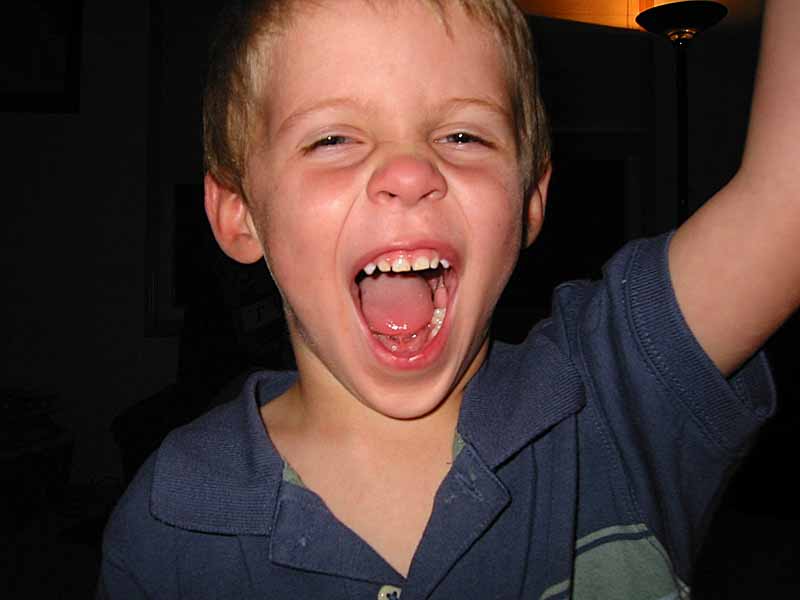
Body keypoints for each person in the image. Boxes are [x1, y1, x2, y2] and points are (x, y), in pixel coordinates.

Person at [97, 0, 798, 597]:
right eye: (333, 137)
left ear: (529, 200)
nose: (408, 171)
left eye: (463, 135)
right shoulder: (170, 522)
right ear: (239, 213)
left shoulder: (621, 390)